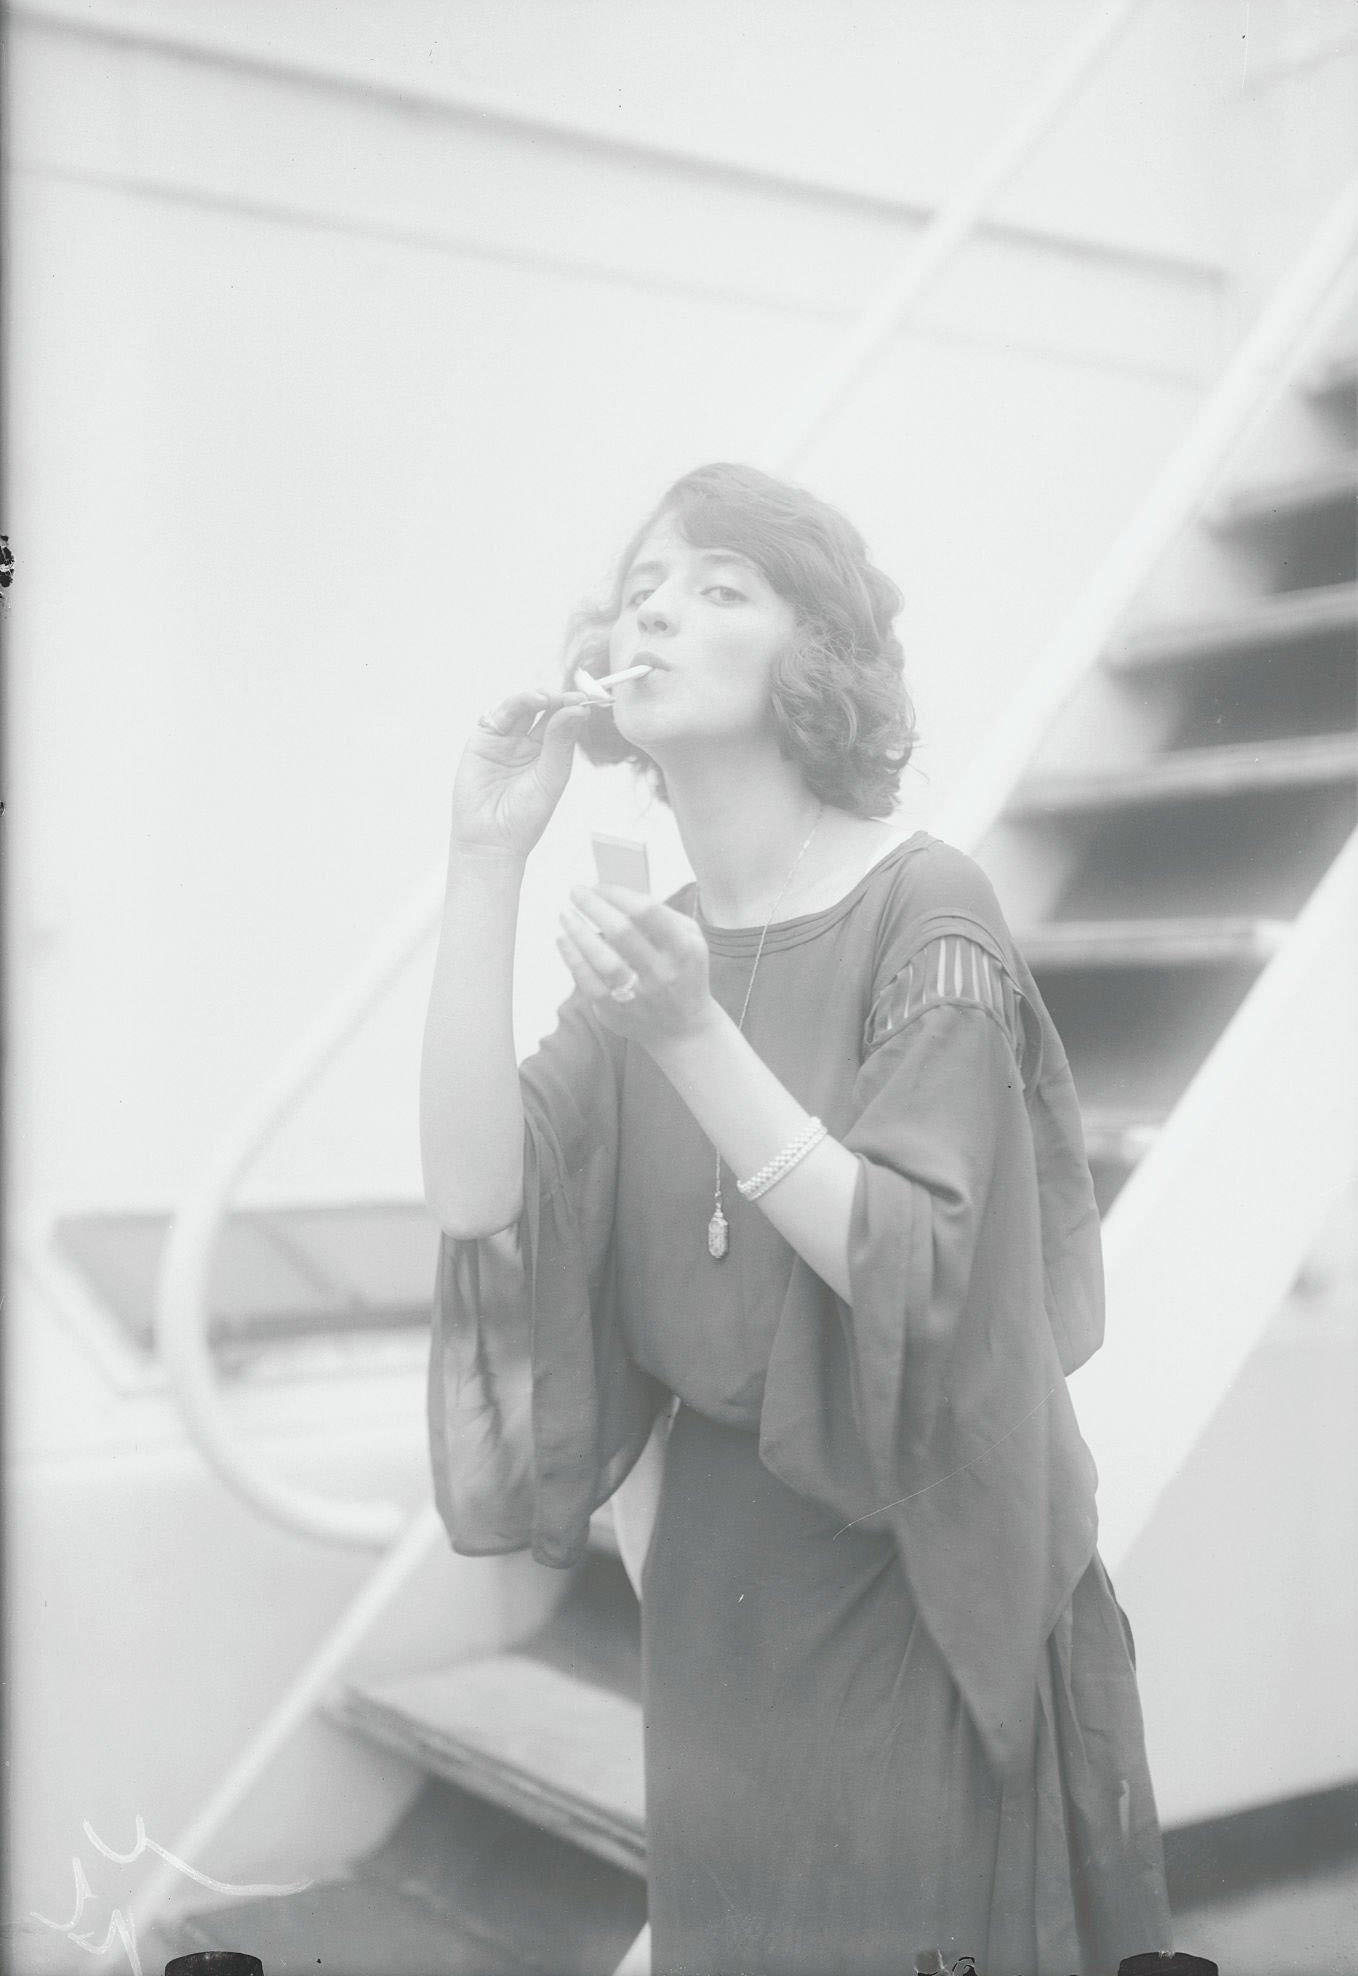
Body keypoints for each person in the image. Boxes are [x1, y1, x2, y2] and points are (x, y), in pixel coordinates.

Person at [421, 462, 1172, 1975]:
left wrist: (692, 1037)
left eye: (718, 586)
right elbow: (473, 1194)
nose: (659, 608)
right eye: (641, 586)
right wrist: (484, 859)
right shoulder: (664, 950)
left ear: (811, 656)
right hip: (715, 1612)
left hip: (909, 1590)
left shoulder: (922, 909)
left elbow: (919, 1270)